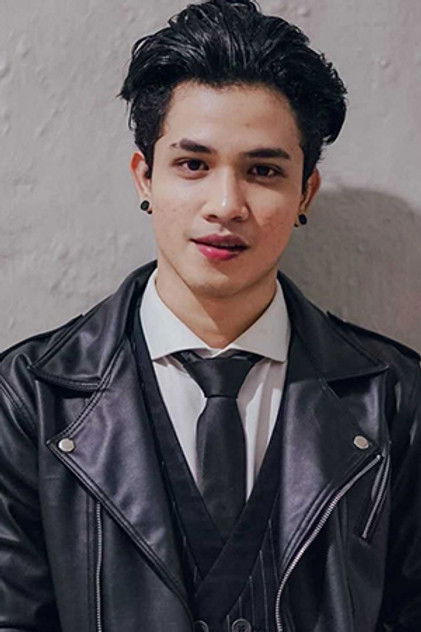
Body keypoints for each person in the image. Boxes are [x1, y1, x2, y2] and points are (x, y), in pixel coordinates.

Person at [1, 0, 420, 630]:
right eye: (193, 164)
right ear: (145, 177)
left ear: (305, 191)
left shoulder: (396, 398)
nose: (225, 205)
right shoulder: (28, 398)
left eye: (263, 170)